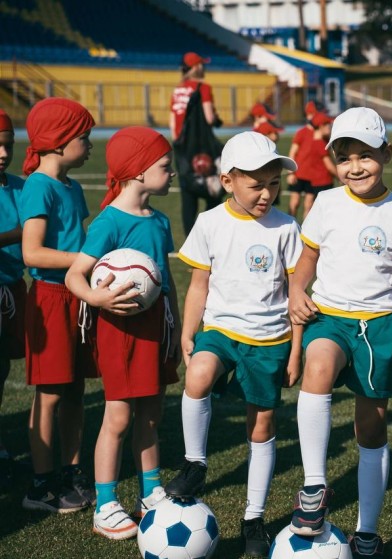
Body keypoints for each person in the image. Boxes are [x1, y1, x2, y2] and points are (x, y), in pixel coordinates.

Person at [287, 107, 392, 555]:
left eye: (365, 155)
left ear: (387, 154)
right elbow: (307, 258)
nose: (355, 166)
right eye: (345, 157)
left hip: (379, 328)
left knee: (370, 431)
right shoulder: (327, 203)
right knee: (317, 368)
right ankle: (314, 488)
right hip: (329, 318)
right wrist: (298, 288)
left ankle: (368, 531)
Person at [164, 131, 301, 557]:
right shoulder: (209, 223)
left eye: (274, 184)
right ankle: (195, 465)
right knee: (198, 376)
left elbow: (296, 293)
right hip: (221, 330)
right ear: (228, 181)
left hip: (271, 339)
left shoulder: (286, 226)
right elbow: (199, 284)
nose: (267, 194)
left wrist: (296, 350)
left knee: (260, 425)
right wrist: (189, 332)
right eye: (256, 185)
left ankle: (253, 517)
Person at [64, 127, 180, 539]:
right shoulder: (109, 220)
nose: (172, 173)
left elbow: (166, 283)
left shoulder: (161, 221)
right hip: (119, 329)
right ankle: (106, 503)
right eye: (165, 167)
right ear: (136, 172)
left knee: (151, 415)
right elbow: (75, 275)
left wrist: (178, 332)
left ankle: (151, 492)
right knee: (118, 416)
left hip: (156, 328)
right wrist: (97, 300)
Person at [18, 98, 96, 513]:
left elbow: (79, 239)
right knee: (49, 393)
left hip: (77, 296)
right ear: (59, 140)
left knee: (75, 390)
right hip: (50, 298)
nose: (88, 144)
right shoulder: (38, 185)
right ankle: (41, 484)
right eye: (83, 137)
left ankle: (71, 472)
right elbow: (33, 253)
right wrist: (88, 262)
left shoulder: (73, 186)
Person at [170, 51, 224, 236]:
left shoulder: (177, 89)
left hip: (182, 148)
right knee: (214, 191)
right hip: (201, 148)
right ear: (196, 67)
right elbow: (209, 118)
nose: (204, 67)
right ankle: (208, 234)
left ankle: (190, 244)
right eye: (202, 64)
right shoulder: (203, 87)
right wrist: (217, 118)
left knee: (188, 195)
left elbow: (172, 123)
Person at [0, 109, 25, 491]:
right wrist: (26, 231)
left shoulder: (20, 186)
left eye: (6, 144)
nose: (2, 152)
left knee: (2, 366)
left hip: (13, 290)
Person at [293, 112, 338, 219]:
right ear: (321, 126)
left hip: (316, 182)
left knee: (310, 208)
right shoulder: (320, 143)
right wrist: (340, 176)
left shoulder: (318, 141)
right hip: (323, 182)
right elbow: (329, 166)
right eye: (328, 124)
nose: (330, 127)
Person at [286, 101, 323, 220]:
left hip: (313, 176)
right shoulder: (301, 133)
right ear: (308, 116)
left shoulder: (321, 133)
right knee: (294, 202)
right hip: (298, 173)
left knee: (309, 204)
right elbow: (292, 152)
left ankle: (305, 233)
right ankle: (290, 227)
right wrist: (291, 173)